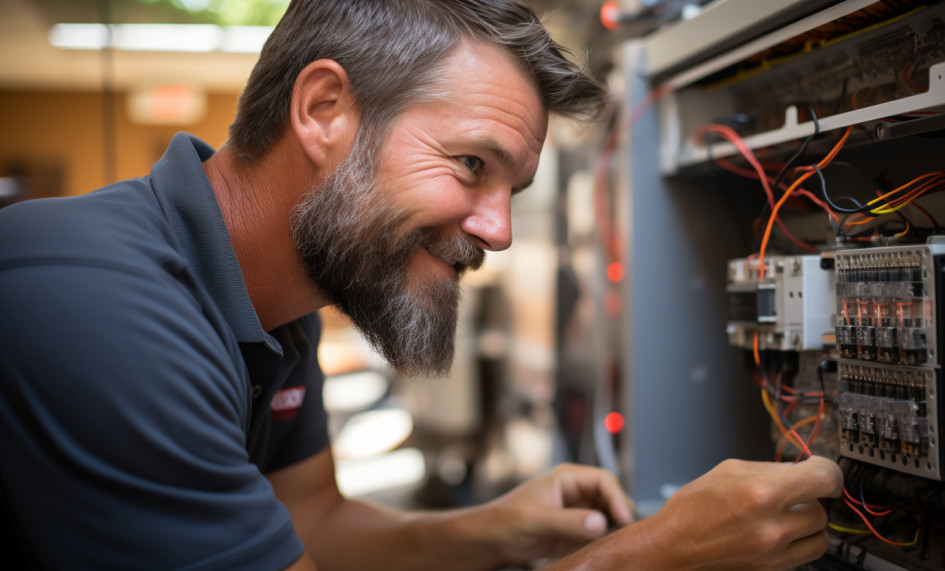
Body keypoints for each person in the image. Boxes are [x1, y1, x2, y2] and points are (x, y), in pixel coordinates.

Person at [0, 0, 842, 569]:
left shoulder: (276, 302)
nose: (499, 230)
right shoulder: (102, 311)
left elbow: (313, 524)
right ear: (325, 110)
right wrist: (651, 555)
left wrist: (497, 525)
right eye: (471, 164)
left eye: (510, 191)